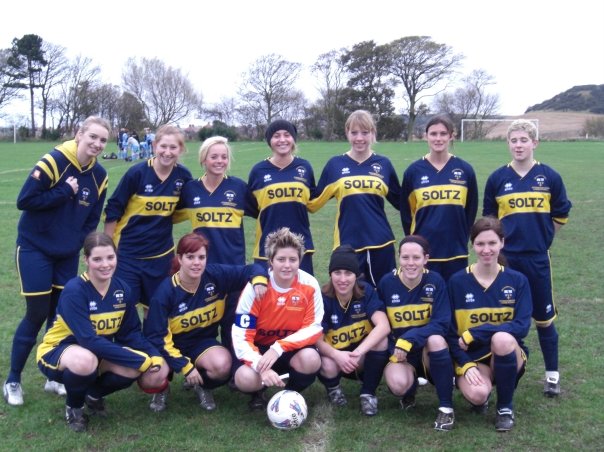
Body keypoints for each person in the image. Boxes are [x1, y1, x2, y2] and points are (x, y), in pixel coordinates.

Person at [4, 116, 110, 407]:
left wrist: (81, 248)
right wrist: (65, 192)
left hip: (66, 255)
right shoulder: (54, 161)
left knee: (59, 318)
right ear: (79, 135)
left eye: (103, 140)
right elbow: (25, 201)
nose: (97, 144)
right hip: (35, 248)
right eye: (93, 137)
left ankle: (52, 376)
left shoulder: (100, 176)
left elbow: (92, 219)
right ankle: (13, 380)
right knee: (37, 313)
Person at [36, 232, 170, 433]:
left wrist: (154, 355)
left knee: (133, 367)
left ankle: (93, 395)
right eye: (97, 259)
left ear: (117, 257)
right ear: (86, 260)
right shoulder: (75, 290)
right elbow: (88, 340)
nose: (105, 264)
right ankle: (74, 407)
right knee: (87, 360)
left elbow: (131, 332)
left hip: (98, 353)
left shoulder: (122, 289)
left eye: (110, 257)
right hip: (59, 352)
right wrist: (138, 359)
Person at [483, 119, 572, 398]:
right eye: (514, 140)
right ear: (508, 144)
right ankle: (495, 371)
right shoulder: (498, 178)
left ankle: (552, 376)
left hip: (536, 259)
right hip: (506, 261)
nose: (518, 145)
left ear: (535, 143)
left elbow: (560, 215)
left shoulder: (549, 177)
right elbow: (489, 222)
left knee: (544, 318)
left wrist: (543, 238)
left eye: (524, 140)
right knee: (500, 317)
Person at [144, 232, 267, 412]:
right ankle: (162, 389)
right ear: (179, 258)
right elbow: (156, 337)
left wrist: (259, 281)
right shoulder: (165, 293)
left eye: (201, 257)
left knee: (223, 365)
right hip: (168, 346)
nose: (196, 262)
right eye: (190, 257)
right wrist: (184, 366)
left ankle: (202, 385)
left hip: (201, 343)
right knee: (153, 375)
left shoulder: (215, 276)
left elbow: (250, 269)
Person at [447, 216, 532, 432]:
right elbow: (449, 331)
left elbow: (522, 327)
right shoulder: (457, 281)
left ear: (502, 243)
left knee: (502, 338)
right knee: (477, 395)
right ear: (472, 244)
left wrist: (476, 332)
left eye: (492, 243)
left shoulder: (517, 280)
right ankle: (483, 395)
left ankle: (505, 408)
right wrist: (465, 364)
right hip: (474, 356)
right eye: (480, 243)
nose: (486, 250)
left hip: (507, 352)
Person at [174, 136, 257, 353]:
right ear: (204, 159)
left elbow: (264, 212)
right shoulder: (191, 189)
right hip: (201, 269)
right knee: (203, 322)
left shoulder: (238, 187)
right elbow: (168, 214)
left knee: (232, 321)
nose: (219, 161)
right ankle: (199, 368)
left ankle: (235, 370)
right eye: (214, 156)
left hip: (233, 268)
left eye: (223, 156)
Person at [104, 124, 192, 313]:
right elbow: (114, 208)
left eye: (173, 147)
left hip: (161, 255)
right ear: (154, 146)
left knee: (155, 308)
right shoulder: (137, 173)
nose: (167, 152)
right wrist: (107, 246)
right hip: (128, 253)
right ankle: (125, 343)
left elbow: (184, 209)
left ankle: (153, 343)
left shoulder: (183, 177)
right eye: (163, 146)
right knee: (123, 310)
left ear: (181, 149)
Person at [232, 228, 324, 408]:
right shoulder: (256, 288)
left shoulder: (310, 284)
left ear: (300, 260)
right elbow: (241, 336)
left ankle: (290, 395)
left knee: (311, 359)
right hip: (260, 350)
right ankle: (258, 393)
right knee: (244, 378)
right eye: (281, 259)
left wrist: (279, 347)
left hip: (289, 348)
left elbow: (313, 328)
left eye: (293, 259)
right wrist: (260, 365)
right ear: (271, 261)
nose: (287, 265)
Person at [309, 110, 400, 286]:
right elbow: (313, 203)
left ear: (373, 133)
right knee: (350, 300)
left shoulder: (384, 164)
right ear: (347, 132)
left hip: (381, 243)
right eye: (354, 132)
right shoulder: (335, 164)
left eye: (365, 132)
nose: (359, 138)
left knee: (385, 295)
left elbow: (402, 202)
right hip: (347, 244)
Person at [378, 236, 454, 430]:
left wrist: (409, 338)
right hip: (401, 352)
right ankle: (409, 390)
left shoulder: (435, 281)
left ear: (425, 259)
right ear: (399, 258)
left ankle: (446, 407)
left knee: (436, 340)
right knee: (397, 384)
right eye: (405, 257)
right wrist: (394, 347)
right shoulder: (387, 283)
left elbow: (442, 323)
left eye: (416, 258)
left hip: (428, 351)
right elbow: (380, 324)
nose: (410, 263)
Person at [400, 115, 478, 281]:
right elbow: (407, 214)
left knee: (454, 302)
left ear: (451, 136)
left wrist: (462, 237)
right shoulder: (413, 171)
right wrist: (415, 243)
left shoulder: (465, 170)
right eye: (433, 134)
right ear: (426, 136)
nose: (438, 138)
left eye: (443, 134)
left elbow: (470, 210)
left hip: (455, 251)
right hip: (424, 252)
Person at [316, 245, 390, 416]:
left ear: (356, 276)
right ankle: (333, 388)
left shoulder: (366, 291)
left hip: (361, 359)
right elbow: (316, 340)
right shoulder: (322, 298)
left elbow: (384, 325)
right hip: (335, 360)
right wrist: (337, 355)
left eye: (348, 273)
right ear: (330, 274)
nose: (342, 279)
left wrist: (357, 352)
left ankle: (368, 393)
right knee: (323, 360)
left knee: (381, 340)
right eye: (337, 272)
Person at [247, 119, 316, 274]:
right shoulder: (258, 171)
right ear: (270, 141)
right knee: (268, 296)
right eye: (276, 136)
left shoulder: (304, 167)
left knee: (301, 295)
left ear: (293, 139)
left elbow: (311, 201)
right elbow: (253, 208)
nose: (282, 140)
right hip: (267, 249)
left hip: (301, 247)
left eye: (287, 135)